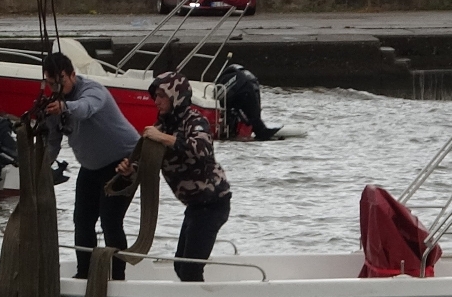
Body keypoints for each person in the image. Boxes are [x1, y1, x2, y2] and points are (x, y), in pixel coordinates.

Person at [118, 72, 231, 283]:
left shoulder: (195, 120)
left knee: (190, 270)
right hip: (195, 206)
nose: (157, 101)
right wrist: (129, 170)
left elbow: (202, 149)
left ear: (176, 97)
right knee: (180, 267)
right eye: (155, 96)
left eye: (162, 95)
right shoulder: (162, 126)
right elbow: (145, 165)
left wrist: (162, 138)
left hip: (214, 203)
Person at [42, 51, 139, 280]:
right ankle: (84, 273)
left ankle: (118, 277)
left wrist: (64, 107)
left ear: (72, 75)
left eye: (60, 83)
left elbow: (86, 109)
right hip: (91, 167)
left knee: (110, 221)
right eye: (49, 84)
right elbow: (53, 143)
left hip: (122, 162)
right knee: (82, 221)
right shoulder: (54, 105)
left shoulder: (93, 90)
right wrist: (38, 168)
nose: (55, 89)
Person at [215, 63, 281, 140]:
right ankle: (261, 131)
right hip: (246, 90)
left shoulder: (235, 77)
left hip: (242, 92)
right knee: (253, 116)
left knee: (250, 116)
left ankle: (260, 132)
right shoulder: (244, 78)